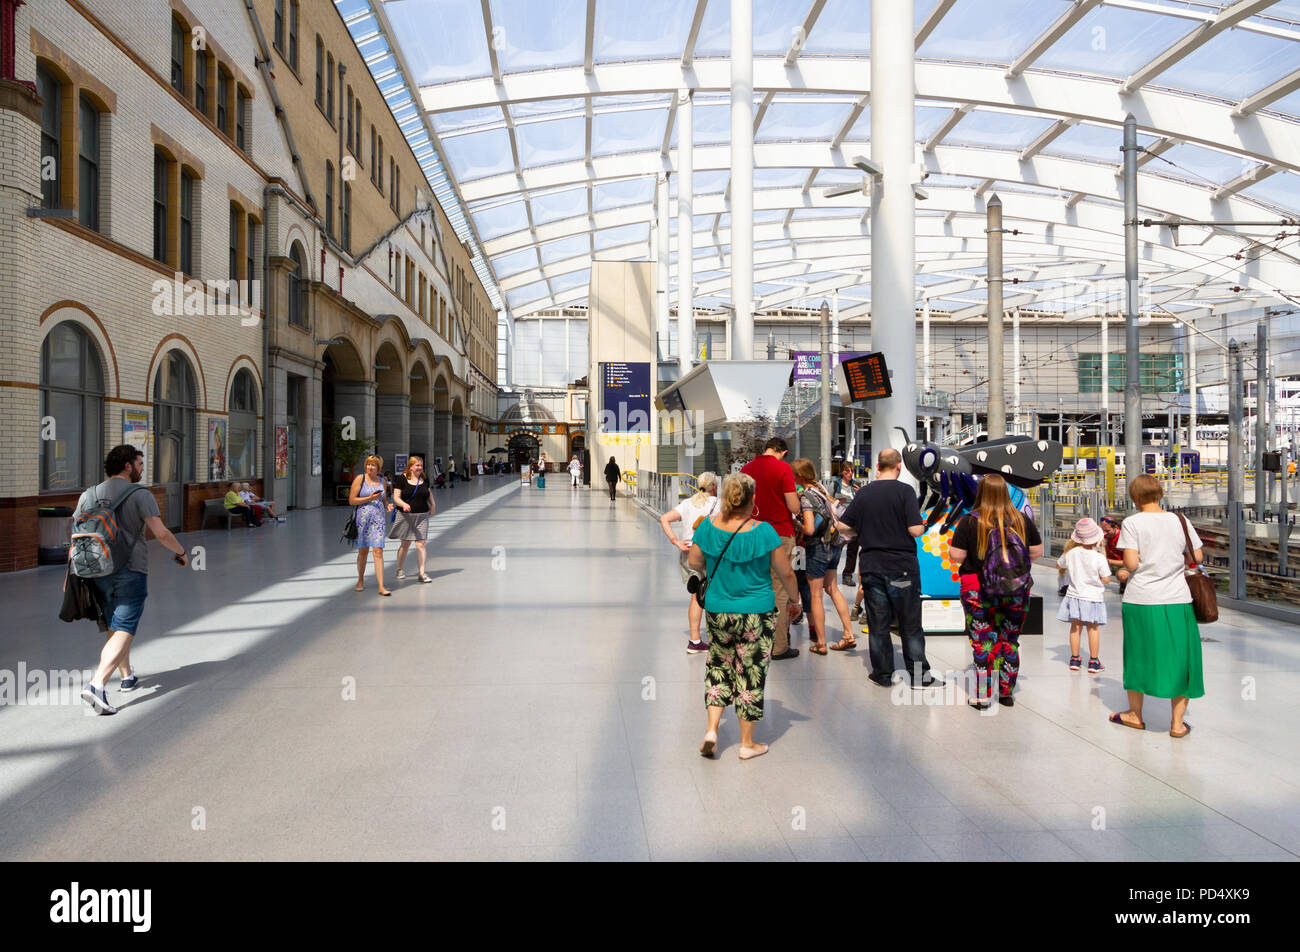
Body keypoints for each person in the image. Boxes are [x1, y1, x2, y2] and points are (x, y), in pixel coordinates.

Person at [687, 473, 801, 761]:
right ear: (753, 499)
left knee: (718, 665)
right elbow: (786, 572)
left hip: (717, 610)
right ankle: (747, 744)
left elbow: (694, 562)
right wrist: (795, 600)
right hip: (756, 613)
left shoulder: (708, 528)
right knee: (750, 672)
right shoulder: (763, 532)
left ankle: (712, 730)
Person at [76, 445, 188, 715]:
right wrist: (181, 552)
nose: (141, 467)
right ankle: (97, 684)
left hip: (95, 570)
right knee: (125, 626)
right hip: (130, 569)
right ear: (127, 465)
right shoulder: (140, 494)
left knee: (116, 625)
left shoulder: (87, 494)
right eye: (139, 463)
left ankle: (127, 677)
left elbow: (77, 530)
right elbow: (160, 533)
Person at [1109, 475, 1204, 739]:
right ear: (1159, 494)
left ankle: (1135, 715)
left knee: (1138, 655)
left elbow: (1131, 563)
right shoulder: (1180, 520)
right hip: (1177, 599)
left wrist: (1131, 569)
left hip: (1142, 600)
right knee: (1182, 659)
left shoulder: (1132, 523)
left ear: (1135, 497)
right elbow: (1197, 556)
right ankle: (1176, 724)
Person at [840, 448, 941, 688]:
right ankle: (918, 675)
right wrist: (924, 526)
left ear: (877, 465)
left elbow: (843, 525)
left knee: (878, 623)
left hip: (872, 566)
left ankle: (882, 674)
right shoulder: (905, 491)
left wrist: (862, 532)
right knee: (910, 624)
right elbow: (915, 530)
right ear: (898, 466)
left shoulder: (863, 493)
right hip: (902, 566)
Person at [948, 474, 1044, 709]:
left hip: (977, 590)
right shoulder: (1021, 519)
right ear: (1006, 492)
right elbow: (1037, 552)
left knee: (983, 642)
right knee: (1009, 640)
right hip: (1015, 590)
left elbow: (956, 556)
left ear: (980, 493)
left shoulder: (970, 520)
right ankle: (1005, 692)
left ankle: (981, 695)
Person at [741, 437, 803, 660]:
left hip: (750, 533)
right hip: (779, 534)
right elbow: (793, 506)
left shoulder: (746, 469)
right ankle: (778, 647)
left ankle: (752, 641)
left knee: (754, 587)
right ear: (782, 452)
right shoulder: (783, 468)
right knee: (779, 590)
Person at [792, 458, 856, 654]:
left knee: (816, 594)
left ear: (800, 476)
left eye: (794, 474)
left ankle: (820, 643)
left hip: (818, 547)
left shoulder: (806, 497)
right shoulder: (820, 488)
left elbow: (810, 529)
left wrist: (797, 525)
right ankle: (848, 634)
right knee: (832, 588)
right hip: (834, 544)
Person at [658, 472, 719, 653]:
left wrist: (676, 541)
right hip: (712, 553)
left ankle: (694, 640)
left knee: (696, 596)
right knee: (715, 593)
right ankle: (718, 638)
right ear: (714, 486)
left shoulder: (688, 503)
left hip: (689, 552)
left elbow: (664, 518)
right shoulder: (719, 504)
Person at [1057, 517, 1112, 674]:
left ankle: (1074, 659)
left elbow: (1059, 564)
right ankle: (1093, 662)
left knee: (1076, 627)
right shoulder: (1099, 557)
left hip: (1074, 596)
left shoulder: (1071, 553)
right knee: (1093, 629)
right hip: (1093, 597)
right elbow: (1107, 578)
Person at [349, 455, 393, 596]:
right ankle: (360, 580)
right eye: (368, 464)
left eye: (373, 465)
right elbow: (352, 500)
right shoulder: (360, 479)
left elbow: (384, 499)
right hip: (363, 520)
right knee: (363, 551)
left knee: (378, 551)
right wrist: (369, 498)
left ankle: (381, 586)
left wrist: (387, 506)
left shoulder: (382, 481)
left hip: (379, 520)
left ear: (378, 468)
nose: (370, 467)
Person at [392, 456, 434, 584]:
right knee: (405, 544)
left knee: (421, 543)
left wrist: (433, 504)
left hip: (422, 515)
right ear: (410, 466)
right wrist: (403, 504)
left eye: (421, 465)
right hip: (406, 516)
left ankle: (422, 573)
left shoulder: (424, 478)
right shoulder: (402, 479)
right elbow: (396, 497)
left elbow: (428, 493)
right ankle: (399, 569)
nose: (419, 468)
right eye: (417, 465)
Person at [832, 462, 862, 587]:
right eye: (847, 471)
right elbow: (830, 499)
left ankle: (847, 575)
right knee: (836, 548)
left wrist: (860, 492)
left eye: (851, 471)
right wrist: (837, 500)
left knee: (852, 550)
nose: (850, 474)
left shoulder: (856, 485)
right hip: (840, 520)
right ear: (842, 472)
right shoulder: (836, 484)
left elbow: (861, 502)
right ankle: (831, 574)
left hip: (854, 521)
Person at [1099, 515, 1130, 595]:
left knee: (1122, 576)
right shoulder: (1103, 535)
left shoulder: (1124, 537)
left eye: (1107, 531)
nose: (1104, 533)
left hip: (1122, 564)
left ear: (1115, 527)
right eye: (1102, 530)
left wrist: (1108, 561)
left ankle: (1123, 585)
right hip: (1108, 562)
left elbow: (1128, 562)